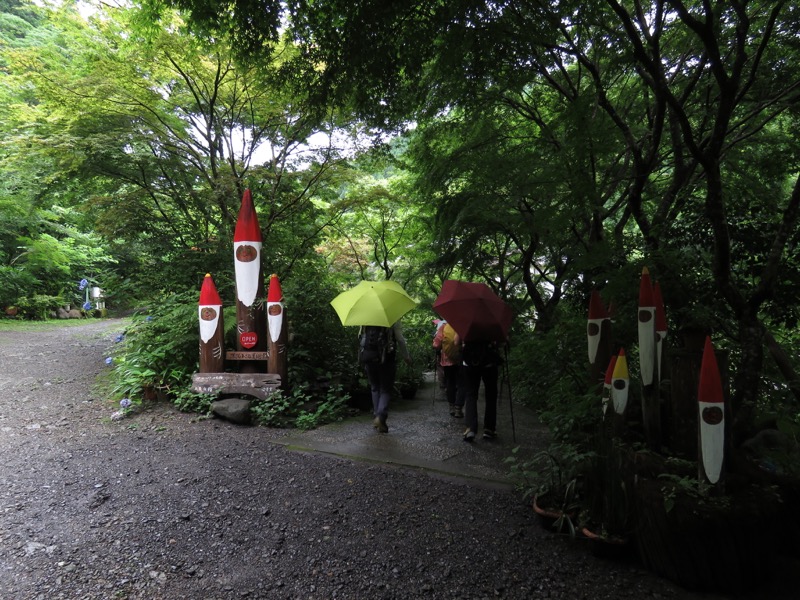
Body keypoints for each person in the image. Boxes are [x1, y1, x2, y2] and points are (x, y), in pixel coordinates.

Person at [360, 321, 412, 433]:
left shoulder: (366, 319)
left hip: (369, 358)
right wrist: (406, 356)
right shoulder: (392, 319)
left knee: (374, 387)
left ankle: (376, 416)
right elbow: (400, 339)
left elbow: (363, 340)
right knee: (385, 389)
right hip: (386, 359)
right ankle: (381, 417)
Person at [461, 339, 503, 442]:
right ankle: (489, 429)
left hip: (470, 362)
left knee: (471, 394)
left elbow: (456, 341)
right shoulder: (493, 323)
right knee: (491, 396)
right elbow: (502, 340)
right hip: (489, 363)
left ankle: (470, 428)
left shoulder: (467, 323)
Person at [432, 321, 463, 418]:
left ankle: (452, 407)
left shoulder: (444, 327)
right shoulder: (463, 326)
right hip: (462, 360)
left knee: (450, 382)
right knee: (462, 383)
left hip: (447, 360)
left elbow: (436, 345)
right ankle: (459, 408)